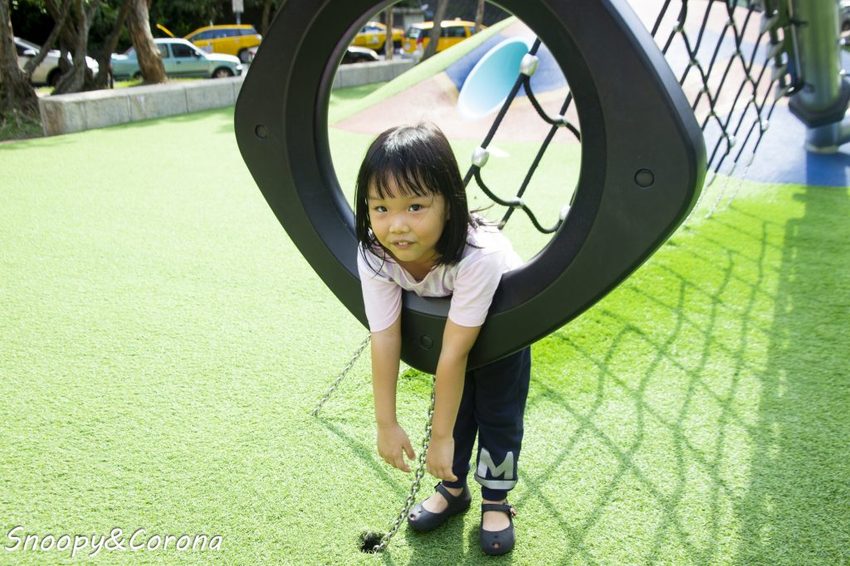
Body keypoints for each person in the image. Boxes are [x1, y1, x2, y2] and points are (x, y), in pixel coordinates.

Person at [354, 122, 532, 556]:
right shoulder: (375, 253)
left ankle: (496, 499)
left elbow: (454, 355)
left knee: (497, 414)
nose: (396, 225)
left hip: (502, 332)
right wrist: (386, 423)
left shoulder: (479, 255)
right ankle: (453, 489)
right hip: (451, 329)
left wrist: (438, 439)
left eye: (415, 206)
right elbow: (385, 336)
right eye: (380, 208)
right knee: (457, 414)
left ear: (449, 206)